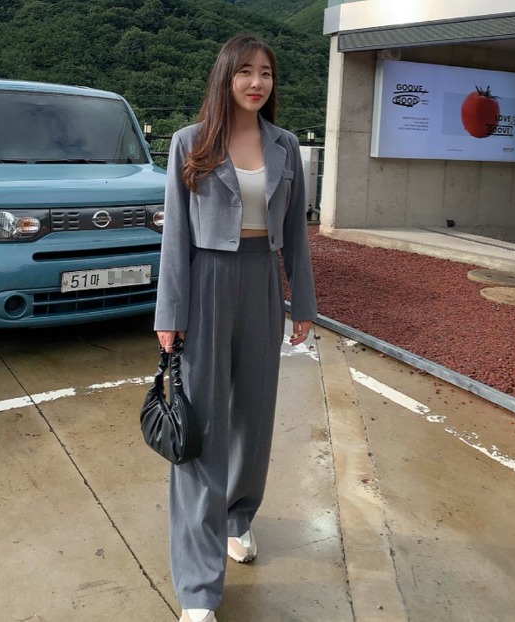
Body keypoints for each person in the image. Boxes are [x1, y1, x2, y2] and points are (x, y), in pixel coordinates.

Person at [154, 33, 317, 622]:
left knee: (254, 412)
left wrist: (303, 304)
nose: (256, 82)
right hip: (205, 282)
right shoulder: (189, 142)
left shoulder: (285, 145)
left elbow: (295, 233)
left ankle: (238, 517)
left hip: (262, 282)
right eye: (245, 71)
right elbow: (176, 236)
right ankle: (198, 588)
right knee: (202, 427)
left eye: (266, 73)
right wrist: (169, 314)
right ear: (225, 77)